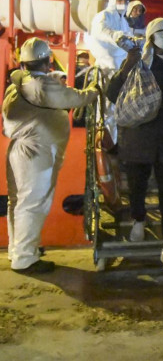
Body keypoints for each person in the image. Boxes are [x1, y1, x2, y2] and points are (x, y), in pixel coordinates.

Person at [3, 38, 98, 273]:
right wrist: (94, 91)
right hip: (36, 153)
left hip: (20, 149)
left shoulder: (16, 85)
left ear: (23, 63)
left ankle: (19, 250)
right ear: (47, 62)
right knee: (33, 204)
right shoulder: (42, 86)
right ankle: (25, 258)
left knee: (18, 202)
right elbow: (75, 98)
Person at [106, 18, 163, 272]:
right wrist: (127, 66)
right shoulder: (136, 63)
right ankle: (138, 220)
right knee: (136, 185)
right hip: (137, 139)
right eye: (159, 33)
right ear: (151, 36)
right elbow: (112, 94)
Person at [86, 0, 142, 143]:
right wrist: (115, 36)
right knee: (106, 109)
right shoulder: (103, 16)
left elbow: (125, 41)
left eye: (126, 0)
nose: (123, 2)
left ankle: (115, 144)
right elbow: (101, 31)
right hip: (106, 69)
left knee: (118, 109)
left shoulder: (123, 21)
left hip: (121, 71)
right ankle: (105, 142)